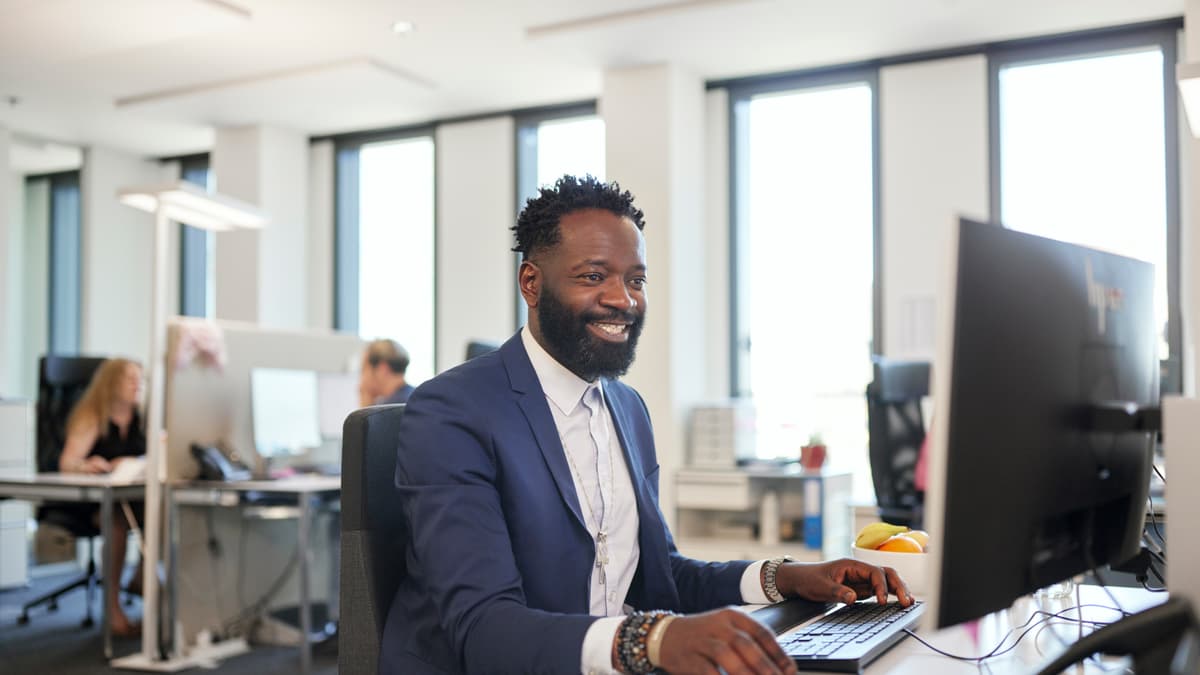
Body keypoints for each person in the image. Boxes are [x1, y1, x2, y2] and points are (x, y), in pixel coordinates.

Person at [381, 175, 912, 674]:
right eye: (594, 276)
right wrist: (653, 640)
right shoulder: (454, 411)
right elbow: (484, 629)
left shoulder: (626, 408)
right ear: (531, 283)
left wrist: (788, 577)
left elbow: (664, 575)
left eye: (636, 279)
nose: (624, 299)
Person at [58, 357, 146, 638]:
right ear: (111, 383)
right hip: (91, 501)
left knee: (164, 511)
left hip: (132, 496)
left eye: (139, 379)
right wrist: (86, 465)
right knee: (117, 520)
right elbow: (67, 463)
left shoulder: (141, 418)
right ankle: (113, 608)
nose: (137, 385)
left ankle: (142, 576)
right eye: (130, 379)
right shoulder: (93, 415)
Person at [358, 338, 414, 407]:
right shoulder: (417, 397)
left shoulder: (390, 409)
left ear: (382, 369)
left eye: (364, 369)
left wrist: (366, 409)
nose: (362, 377)